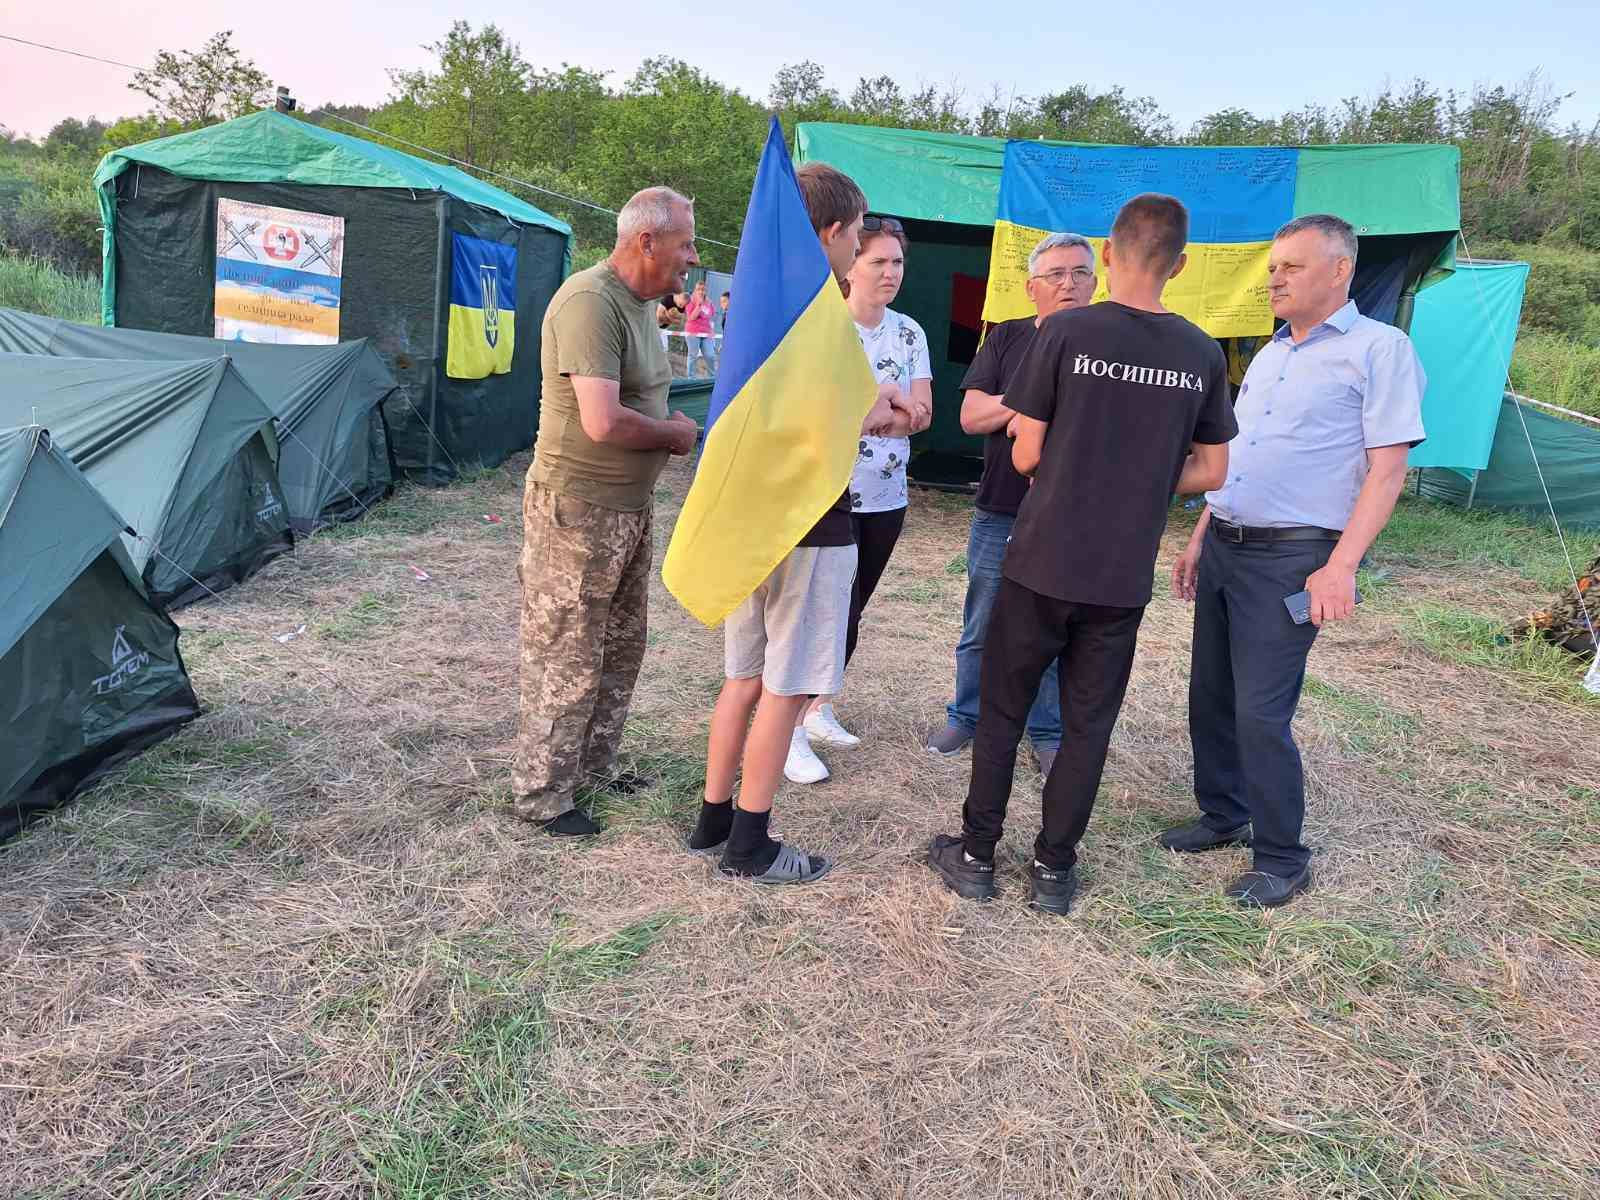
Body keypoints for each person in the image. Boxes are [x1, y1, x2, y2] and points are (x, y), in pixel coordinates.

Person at [925, 193, 1236, 916]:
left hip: (1041, 560)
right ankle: (1054, 870)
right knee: (1087, 727)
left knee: (1002, 712)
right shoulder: (1200, 351)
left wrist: (1078, 466)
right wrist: (1144, 480)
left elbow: (1025, 453)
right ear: (1180, 265)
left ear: (1106, 255)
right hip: (1119, 573)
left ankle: (977, 855)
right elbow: (1213, 470)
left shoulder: (1066, 332)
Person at [1162, 213, 1426, 908]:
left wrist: (1341, 566)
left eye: (1292, 267)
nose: (1275, 279)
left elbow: (1388, 469)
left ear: (1340, 270)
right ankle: (1223, 814)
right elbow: (1240, 456)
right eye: (1273, 267)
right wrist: (1201, 534)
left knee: (1260, 710)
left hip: (1293, 557)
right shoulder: (1271, 354)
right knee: (1210, 695)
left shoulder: (1380, 349)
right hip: (1227, 541)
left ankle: (1282, 857)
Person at [686, 162, 912, 884]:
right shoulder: (822, 318)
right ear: (834, 231)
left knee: (742, 680)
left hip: (752, 522)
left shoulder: (764, 305)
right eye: (859, 233)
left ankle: (713, 818)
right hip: (812, 526)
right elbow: (860, 412)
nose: (860, 247)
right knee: (785, 689)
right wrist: (885, 401)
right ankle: (749, 845)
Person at [515, 187, 701, 835]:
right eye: (686, 244)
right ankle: (543, 795)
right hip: (578, 508)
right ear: (647, 241)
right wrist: (674, 436)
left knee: (620, 645)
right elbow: (601, 420)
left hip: (628, 507)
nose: (693, 257)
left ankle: (592, 767)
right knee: (567, 649)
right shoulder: (590, 301)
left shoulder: (640, 306)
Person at [926, 232, 1099, 778]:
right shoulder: (1006, 337)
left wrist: (1026, 415)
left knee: (1052, 627)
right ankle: (967, 715)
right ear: (1031, 287)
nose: (1069, 284)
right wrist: (1029, 405)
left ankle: (1046, 730)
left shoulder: (1109, 344)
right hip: (1000, 508)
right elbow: (971, 417)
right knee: (983, 620)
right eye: (1056, 274)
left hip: (1072, 514)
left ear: (1096, 283)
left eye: (1080, 273)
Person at [789, 215, 933, 783]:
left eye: (898, 262)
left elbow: (921, 416)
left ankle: (816, 709)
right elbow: (816, 414)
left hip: (885, 494)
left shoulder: (909, 333)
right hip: (826, 495)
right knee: (818, 612)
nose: (891, 272)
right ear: (852, 265)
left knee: (852, 610)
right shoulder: (826, 326)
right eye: (878, 261)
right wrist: (883, 401)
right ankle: (786, 730)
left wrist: (877, 409)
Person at [683, 279, 719, 378]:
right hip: (692, 332)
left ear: (705, 291)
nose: (701, 291)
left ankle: (712, 377)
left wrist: (711, 330)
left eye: (703, 289)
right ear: (695, 290)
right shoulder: (691, 301)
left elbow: (711, 315)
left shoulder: (709, 302)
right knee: (693, 356)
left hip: (706, 333)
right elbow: (691, 317)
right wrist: (698, 305)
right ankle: (691, 378)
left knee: (710, 355)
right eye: (698, 289)